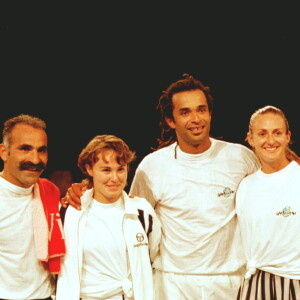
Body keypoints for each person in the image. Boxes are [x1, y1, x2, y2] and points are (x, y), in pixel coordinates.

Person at [62, 73, 260, 299]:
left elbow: (272, 185)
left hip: (230, 280)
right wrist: (86, 188)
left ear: (210, 112)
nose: (196, 118)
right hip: (171, 283)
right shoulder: (152, 166)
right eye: (185, 112)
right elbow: (129, 216)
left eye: (201, 109)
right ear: (170, 120)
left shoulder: (241, 157)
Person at [56, 134, 161, 300]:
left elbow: (154, 256)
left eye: (120, 169)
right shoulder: (68, 211)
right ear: (89, 169)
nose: (114, 178)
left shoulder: (142, 211)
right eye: (106, 170)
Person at [235, 105, 300, 299]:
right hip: (254, 284)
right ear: (250, 139)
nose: (270, 140)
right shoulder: (246, 186)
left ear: (287, 136)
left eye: (277, 133)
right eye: (262, 134)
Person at [0, 114, 65, 300]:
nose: (35, 159)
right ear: (4, 152)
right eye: (25, 149)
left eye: (41, 150)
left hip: (45, 296)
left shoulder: (50, 192)